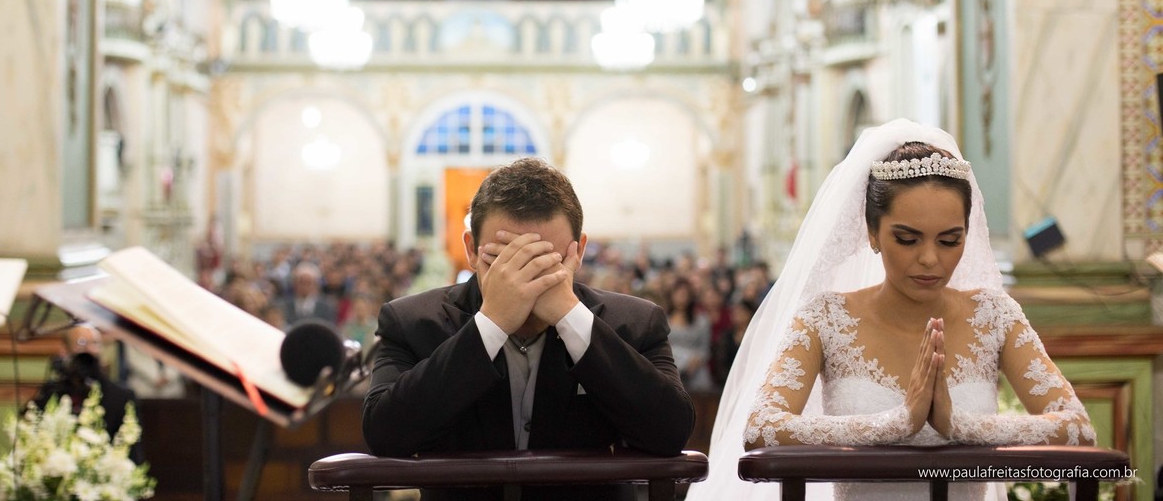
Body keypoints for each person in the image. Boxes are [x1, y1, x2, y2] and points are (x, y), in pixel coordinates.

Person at [691, 119, 1095, 501]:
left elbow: (1077, 427)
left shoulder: (994, 315)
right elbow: (762, 428)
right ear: (872, 233)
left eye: (950, 240)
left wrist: (958, 425)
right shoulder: (826, 318)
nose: (930, 260)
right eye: (907, 239)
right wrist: (897, 423)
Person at [362, 157, 694, 500]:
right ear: (472, 250)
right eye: (502, 261)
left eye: (545, 262)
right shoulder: (413, 322)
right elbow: (385, 434)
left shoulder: (634, 323)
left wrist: (570, 317)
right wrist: (491, 324)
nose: (523, 281)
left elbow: (670, 431)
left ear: (578, 251)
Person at [31, 323, 145, 463]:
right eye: (81, 342)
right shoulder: (52, 394)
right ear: (64, 350)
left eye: (95, 343)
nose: (89, 349)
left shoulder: (121, 397)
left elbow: (131, 451)